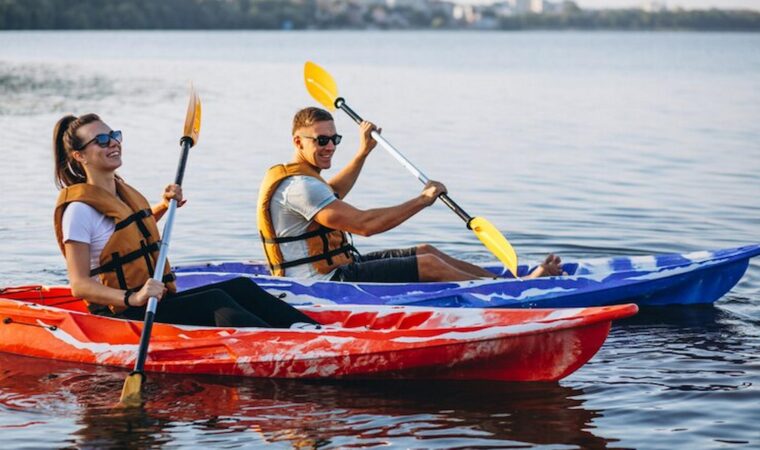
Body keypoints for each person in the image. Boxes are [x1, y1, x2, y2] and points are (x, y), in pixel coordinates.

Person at [52, 113, 319, 328]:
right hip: (123, 313)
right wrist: (133, 297)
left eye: (114, 135)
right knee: (213, 300)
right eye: (101, 140)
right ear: (79, 156)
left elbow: (127, 234)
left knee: (241, 287)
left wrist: (164, 206)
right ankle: (279, 346)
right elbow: (79, 285)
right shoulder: (79, 211)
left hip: (153, 301)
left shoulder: (121, 194)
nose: (112, 142)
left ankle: (308, 331)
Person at [256, 107, 563, 283]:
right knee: (429, 265)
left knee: (427, 250)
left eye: (335, 138)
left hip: (335, 269)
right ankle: (514, 293)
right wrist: (422, 200)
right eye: (321, 140)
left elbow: (333, 191)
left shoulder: (304, 181)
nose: (330, 146)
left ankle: (508, 287)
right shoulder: (300, 187)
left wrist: (364, 151)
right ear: (298, 141)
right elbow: (365, 225)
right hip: (317, 286)